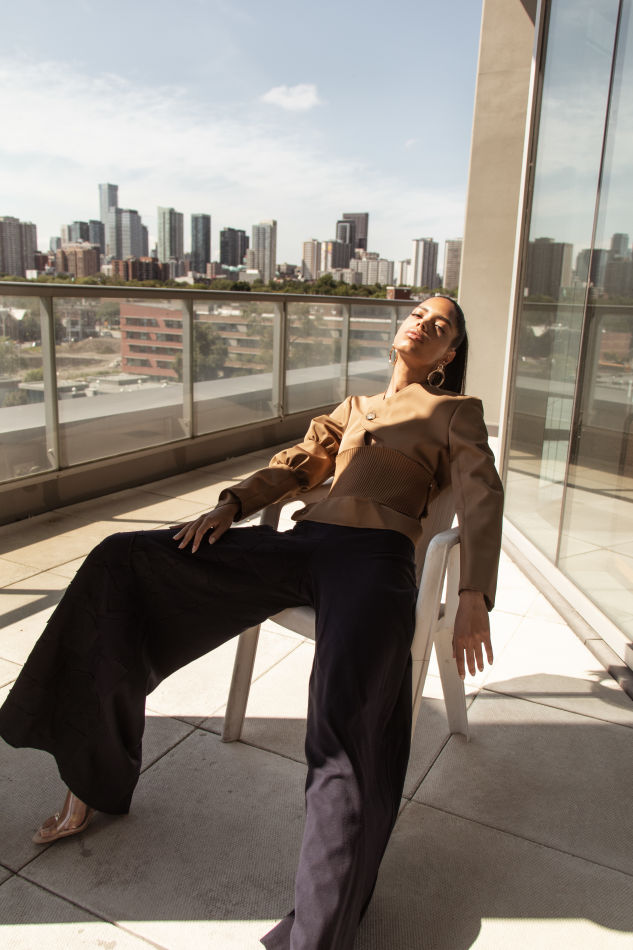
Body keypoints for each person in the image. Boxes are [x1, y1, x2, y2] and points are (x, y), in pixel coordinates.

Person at [0, 295, 503, 950]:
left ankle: (315, 936)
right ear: (398, 329)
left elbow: (481, 492)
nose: (423, 324)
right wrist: (230, 504)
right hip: (301, 545)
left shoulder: (454, 411)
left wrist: (472, 593)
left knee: (342, 735)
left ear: (447, 355)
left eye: (440, 326)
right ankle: (90, 768)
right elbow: (295, 464)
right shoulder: (353, 408)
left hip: (374, 563)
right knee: (121, 559)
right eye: (417, 314)